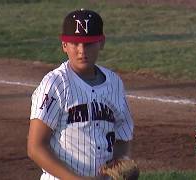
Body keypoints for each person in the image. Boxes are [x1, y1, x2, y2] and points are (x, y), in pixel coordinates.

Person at [27, 9, 134, 180]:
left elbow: (123, 135)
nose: (81, 50)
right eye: (75, 43)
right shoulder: (55, 84)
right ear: (64, 45)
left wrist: (120, 160)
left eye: (88, 44)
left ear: (101, 42)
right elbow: (35, 147)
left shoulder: (115, 83)